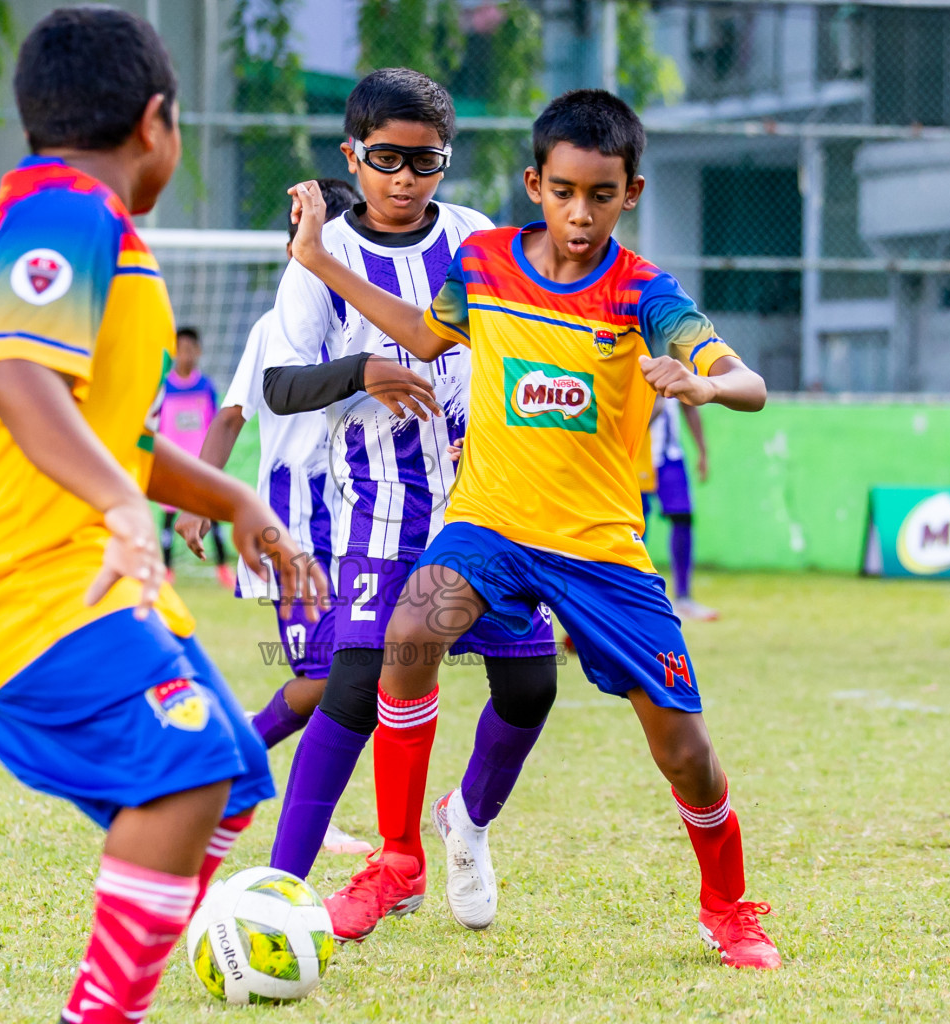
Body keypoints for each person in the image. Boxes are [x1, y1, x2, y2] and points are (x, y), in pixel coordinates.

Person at [285, 88, 782, 968]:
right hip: (491, 525)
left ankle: (728, 905)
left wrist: (707, 384)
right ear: (534, 184)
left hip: (600, 553)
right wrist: (320, 257)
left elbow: (745, 379)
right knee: (409, 630)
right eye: (562, 191)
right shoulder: (481, 264)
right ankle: (399, 859)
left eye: (601, 194)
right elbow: (420, 335)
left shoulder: (644, 293)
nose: (579, 212)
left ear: (630, 192)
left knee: (685, 751)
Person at [0, 10, 327, 1023]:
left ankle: (130, 975)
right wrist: (122, 507)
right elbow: (14, 373)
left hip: (66, 571)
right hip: (11, 579)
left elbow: (108, 432)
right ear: (156, 121)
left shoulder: (82, 223)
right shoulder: (64, 208)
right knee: (185, 772)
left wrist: (233, 499)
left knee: (227, 776)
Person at [258, 69, 556, 935]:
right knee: (351, 685)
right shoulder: (319, 260)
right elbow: (278, 386)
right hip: (380, 514)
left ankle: (464, 823)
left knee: (531, 688)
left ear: (444, 162)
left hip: (486, 511)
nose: (402, 178)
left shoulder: (474, 239)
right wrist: (363, 370)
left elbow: (524, 339)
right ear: (353, 153)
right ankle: (285, 884)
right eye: (383, 158)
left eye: (423, 161)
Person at [175, 178, 372, 857]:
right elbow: (232, 415)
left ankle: (310, 803)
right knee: (324, 675)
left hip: (367, 518)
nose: (303, 243)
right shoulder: (274, 328)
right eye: (297, 231)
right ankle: (233, 765)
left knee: (361, 670)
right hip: (294, 523)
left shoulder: (378, 318)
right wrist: (199, 501)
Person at [156, 326, 232, 587]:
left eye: (190, 350)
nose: (185, 355)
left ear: (198, 352)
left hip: (200, 466)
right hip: (173, 465)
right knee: (168, 520)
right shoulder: (164, 387)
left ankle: (222, 567)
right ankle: (167, 571)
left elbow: (215, 424)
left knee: (212, 517)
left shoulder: (206, 386)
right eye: (180, 350)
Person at [648, 396, 717, 621]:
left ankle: (684, 598)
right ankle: (624, 599)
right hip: (637, 452)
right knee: (634, 524)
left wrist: (703, 450)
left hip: (670, 455)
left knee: (683, 518)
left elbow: (689, 405)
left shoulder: (674, 361)